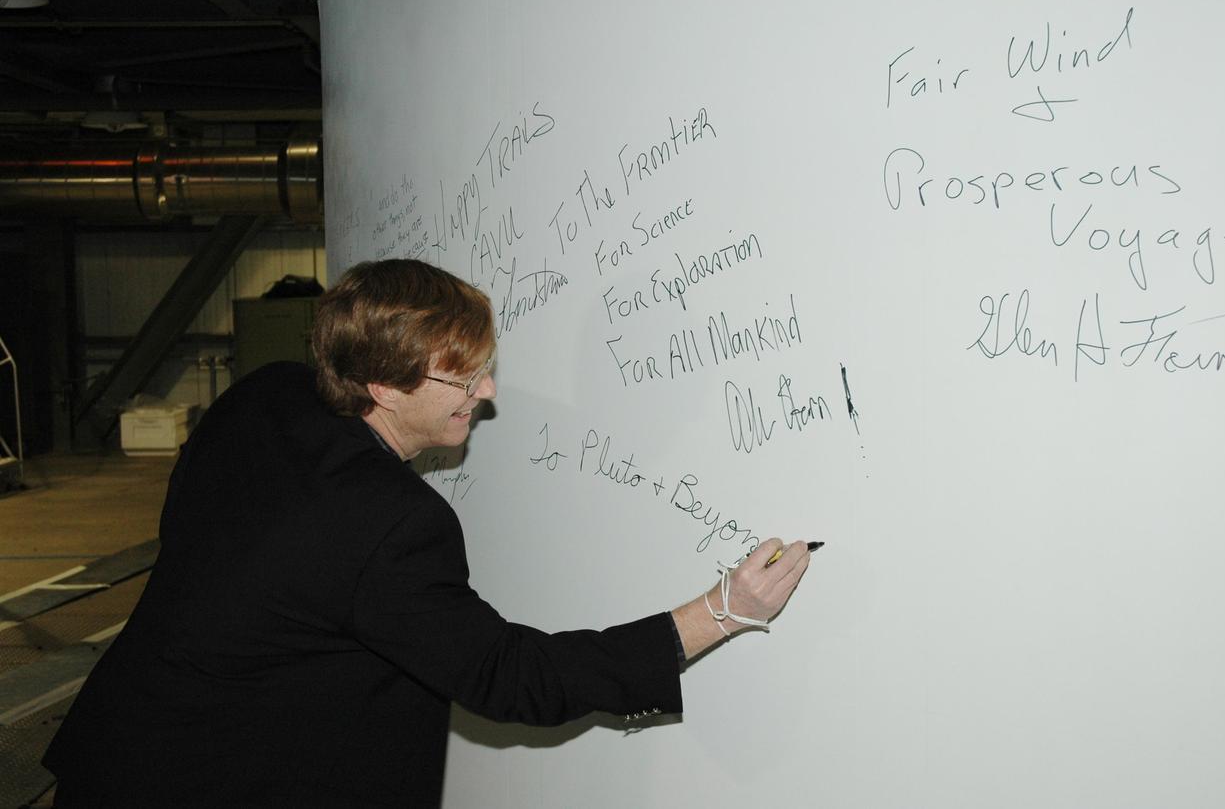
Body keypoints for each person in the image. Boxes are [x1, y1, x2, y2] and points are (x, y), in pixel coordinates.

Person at [43, 259, 811, 807]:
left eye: (486, 365)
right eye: (464, 377)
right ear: (382, 383)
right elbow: (514, 676)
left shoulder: (263, 396)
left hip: (116, 747)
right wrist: (724, 609)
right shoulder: (390, 523)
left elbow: (186, 515)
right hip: (214, 782)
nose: (488, 392)